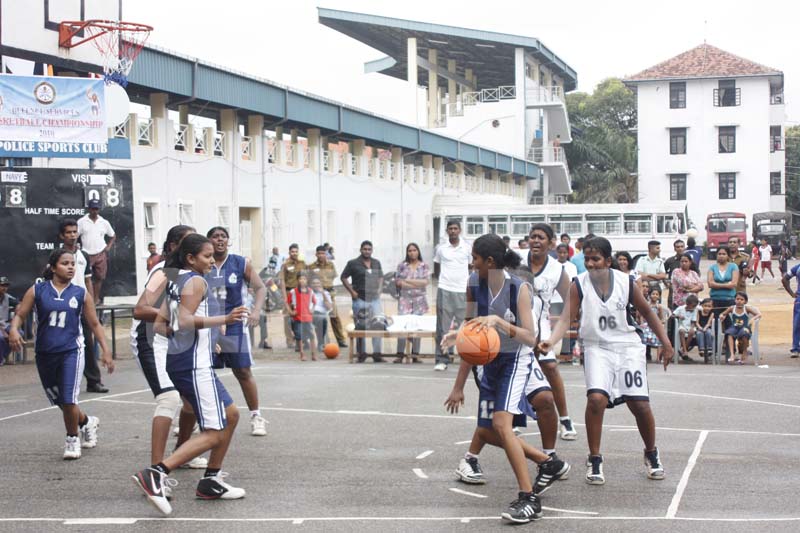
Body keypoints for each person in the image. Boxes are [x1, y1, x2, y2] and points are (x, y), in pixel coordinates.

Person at [443, 234, 564, 524]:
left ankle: (528, 498)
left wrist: (498, 322)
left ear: (490, 262)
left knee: (501, 425)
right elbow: (472, 327)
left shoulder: (518, 288)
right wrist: (459, 339)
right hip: (490, 363)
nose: (471, 263)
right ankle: (547, 464)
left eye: (475, 258)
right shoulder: (474, 284)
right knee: (489, 429)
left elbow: (529, 337)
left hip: (515, 361)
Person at [541, 236, 673, 486]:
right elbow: (567, 316)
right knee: (596, 399)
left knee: (639, 405)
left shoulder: (626, 282)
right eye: (587, 259)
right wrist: (551, 340)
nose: (589, 264)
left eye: (595, 259)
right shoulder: (579, 283)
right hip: (596, 347)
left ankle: (651, 452)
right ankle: (594, 457)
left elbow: (646, 312)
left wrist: (666, 343)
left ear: (608, 261)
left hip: (627, 347)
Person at [133, 234, 249, 515]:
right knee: (214, 431)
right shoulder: (196, 281)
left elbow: (162, 324)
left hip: (183, 361)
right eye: (207, 256)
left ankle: (210, 481)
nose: (212, 261)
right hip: (193, 365)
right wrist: (225, 319)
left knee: (231, 414)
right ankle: (157, 473)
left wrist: (203, 337)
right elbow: (184, 320)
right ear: (190, 258)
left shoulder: (176, 279)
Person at [8, 249, 113, 459]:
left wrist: (106, 350)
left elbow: (94, 324)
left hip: (71, 351)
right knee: (60, 401)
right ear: (53, 267)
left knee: (68, 398)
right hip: (45, 353)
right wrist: (13, 330)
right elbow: (20, 314)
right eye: (65, 263)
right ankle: (86, 422)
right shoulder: (38, 290)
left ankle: (72, 439)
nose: (71, 267)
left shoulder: (81, 293)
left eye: (73, 263)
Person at [131, 225, 207, 473]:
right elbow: (140, 310)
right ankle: (155, 471)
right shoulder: (164, 272)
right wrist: (175, 317)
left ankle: (181, 453)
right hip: (151, 339)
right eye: (189, 242)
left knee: (192, 400)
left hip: (176, 340)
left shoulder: (192, 276)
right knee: (169, 398)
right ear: (177, 248)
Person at [205, 227, 268, 437]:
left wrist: (256, 311)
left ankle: (256, 416)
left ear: (228, 242)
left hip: (234, 324)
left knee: (242, 371)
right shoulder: (202, 263)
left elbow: (260, 288)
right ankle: (200, 417)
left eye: (223, 236)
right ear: (209, 241)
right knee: (203, 372)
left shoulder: (239, 263)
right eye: (215, 236)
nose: (219, 240)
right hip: (208, 323)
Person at [524, 224, 578, 441]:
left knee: (550, 366)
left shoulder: (557, 269)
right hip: (516, 322)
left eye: (541, 237)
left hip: (541, 322)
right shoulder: (516, 262)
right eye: (533, 237)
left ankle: (564, 418)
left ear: (551, 243)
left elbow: (570, 301)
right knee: (514, 367)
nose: (536, 241)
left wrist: (562, 325)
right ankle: (517, 416)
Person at [59, 219, 108, 394]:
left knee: (87, 341)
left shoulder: (83, 255)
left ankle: (93, 381)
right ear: (62, 235)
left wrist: (91, 303)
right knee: (63, 343)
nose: (72, 235)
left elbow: (88, 281)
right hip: (64, 306)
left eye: (74, 232)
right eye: (68, 232)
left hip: (82, 305)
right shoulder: (58, 256)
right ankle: (63, 381)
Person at [433, 220, 472, 371]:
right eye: (450, 229)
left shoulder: (467, 248)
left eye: (456, 228)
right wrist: (443, 281)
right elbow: (437, 267)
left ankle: (467, 359)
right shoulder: (441, 249)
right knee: (443, 328)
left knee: (465, 328)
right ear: (447, 231)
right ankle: (441, 359)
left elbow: (471, 267)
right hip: (445, 290)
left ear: (460, 230)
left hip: (463, 291)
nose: (453, 231)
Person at [341, 240, 385, 363]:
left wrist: (380, 289)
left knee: (377, 325)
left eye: (369, 249)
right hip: (360, 299)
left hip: (375, 299)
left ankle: (377, 354)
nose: (367, 251)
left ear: (372, 250)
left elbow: (381, 276)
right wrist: (352, 292)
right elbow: (343, 277)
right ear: (360, 250)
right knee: (361, 327)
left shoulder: (376, 263)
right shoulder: (353, 263)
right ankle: (361, 354)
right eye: (365, 249)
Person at [394, 243, 430, 364]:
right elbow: (398, 282)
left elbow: (425, 282)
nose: (412, 252)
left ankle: (415, 354)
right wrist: (416, 283)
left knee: (417, 326)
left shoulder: (424, 266)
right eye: (410, 250)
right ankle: (400, 354)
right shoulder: (402, 266)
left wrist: (407, 281)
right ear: (407, 252)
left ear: (418, 251)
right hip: (405, 300)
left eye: (414, 250)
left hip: (419, 300)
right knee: (402, 326)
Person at [77, 199, 116, 304]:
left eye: (97, 209)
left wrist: (108, 247)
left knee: (99, 277)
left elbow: (112, 235)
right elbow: (76, 235)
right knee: (85, 277)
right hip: (86, 253)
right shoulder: (81, 222)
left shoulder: (104, 222)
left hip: (100, 253)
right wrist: (77, 247)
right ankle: (87, 300)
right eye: (93, 209)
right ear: (89, 209)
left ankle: (95, 300)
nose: (95, 211)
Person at [309, 245, 348, 348]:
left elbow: (333, 277)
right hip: (317, 294)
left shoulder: (330, 265)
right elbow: (309, 280)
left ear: (326, 254)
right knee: (319, 318)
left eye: (323, 253)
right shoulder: (311, 267)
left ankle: (341, 340)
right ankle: (321, 342)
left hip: (329, 294)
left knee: (335, 317)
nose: (321, 255)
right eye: (319, 253)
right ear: (316, 254)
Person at [719, 292, 761, 364]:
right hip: (734, 327)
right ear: (735, 300)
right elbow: (723, 314)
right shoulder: (732, 308)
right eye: (737, 299)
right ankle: (732, 354)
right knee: (729, 333)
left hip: (744, 327)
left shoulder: (747, 308)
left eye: (742, 299)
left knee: (744, 333)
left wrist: (752, 319)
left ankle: (744, 352)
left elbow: (759, 314)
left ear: (745, 301)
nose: (739, 301)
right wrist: (722, 316)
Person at [280, 244, 307, 349]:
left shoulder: (302, 264)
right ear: (289, 252)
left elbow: (306, 278)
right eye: (292, 251)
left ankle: (300, 339)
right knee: (287, 317)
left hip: (300, 293)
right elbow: (282, 281)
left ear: (298, 252)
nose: (294, 253)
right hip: (289, 292)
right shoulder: (285, 265)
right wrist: (284, 297)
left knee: (301, 317)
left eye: (296, 251)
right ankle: (290, 340)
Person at [287, 271, 316, 360]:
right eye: (300, 279)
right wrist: (290, 312)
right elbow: (287, 303)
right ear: (297, 280)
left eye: (304, 279)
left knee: (312, 335)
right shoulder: (293, 292)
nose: (302, 281)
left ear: (307, 280)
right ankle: (302, 354)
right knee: (299, 336)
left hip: (308, 317)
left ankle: (313, 354)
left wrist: (312, 310)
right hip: (298, 317)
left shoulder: (310, 291)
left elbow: (314, 302)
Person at [639, 288, 670, 362]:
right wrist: (642, 323)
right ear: (650, 295)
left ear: (659, 296)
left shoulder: (659, 307)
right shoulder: (646, 304)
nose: (655, 296)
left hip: (655, 325)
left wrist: (661, 323)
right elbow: (642, 315)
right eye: (653, 294)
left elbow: (661, 317)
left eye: (657, 294)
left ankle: (658, 358)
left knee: (660, 336)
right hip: (647, 324)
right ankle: (643, 356)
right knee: (644, 335)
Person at [708, 247, 739, 318]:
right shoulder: (712, 267)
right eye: (719, 254)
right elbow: (710, 284)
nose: (721, 256)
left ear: (728, 255)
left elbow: (734, 284)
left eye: (724, 254)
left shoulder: (733, 266)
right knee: (715, 322)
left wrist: (716, 284)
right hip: (715, 299)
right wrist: (727, 284)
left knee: (729, 322)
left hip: (729, 299)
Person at [781, 261, 800, 358]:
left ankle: (796, 348)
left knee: (797, 324)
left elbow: (785, 279)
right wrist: (792, 293)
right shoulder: (797, 268)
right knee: (797, 324)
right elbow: (784, 279)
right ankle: (795, 348)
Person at [0, 277, 20, 365]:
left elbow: (19, 304)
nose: (4, 287)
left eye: (6, 285)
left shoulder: (7, 297)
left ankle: (2, 357)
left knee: (19, 334)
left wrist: (18, 309)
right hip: (1, 327)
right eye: (2, 285)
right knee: (1, 338)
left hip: (4, 324)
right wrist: (3, 331)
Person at [672, 294, 699, 360]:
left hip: (690, 326)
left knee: (691, 332)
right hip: (682, 325)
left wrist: (692, 328)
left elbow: (693, 321)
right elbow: (672, 315)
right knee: (682, 331)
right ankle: (685, 350)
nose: (693, 308)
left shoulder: (695, 310)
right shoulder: (680, 308)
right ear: (687, 304)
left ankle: (683, 349)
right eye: (692, 306)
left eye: (695, 306)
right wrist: (678, 316)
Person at [310, 276, 332, 353]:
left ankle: (321, 343)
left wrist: (323, 294)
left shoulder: (326, 293)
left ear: (321, 284)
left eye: (318, 283)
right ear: (311, 285)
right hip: (311, 314)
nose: (316, 285)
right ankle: (321, 343)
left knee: (322, 319)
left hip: (322, 314)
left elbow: (329, 307)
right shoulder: (308, 293)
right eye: (314, 283)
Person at [695, 298, 715, 363]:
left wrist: (705, 328)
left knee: (708, 332)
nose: (707, 308)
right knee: (699, 334)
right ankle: (701, 349)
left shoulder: (712, 313)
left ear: (712, 307)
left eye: (709, 306)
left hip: (707, 327)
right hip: (699, 327)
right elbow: (697, 322)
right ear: (702, 306)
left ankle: (709, 348)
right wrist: (700, 327)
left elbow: (709, 323)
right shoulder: (699, 312)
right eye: (705, 306)